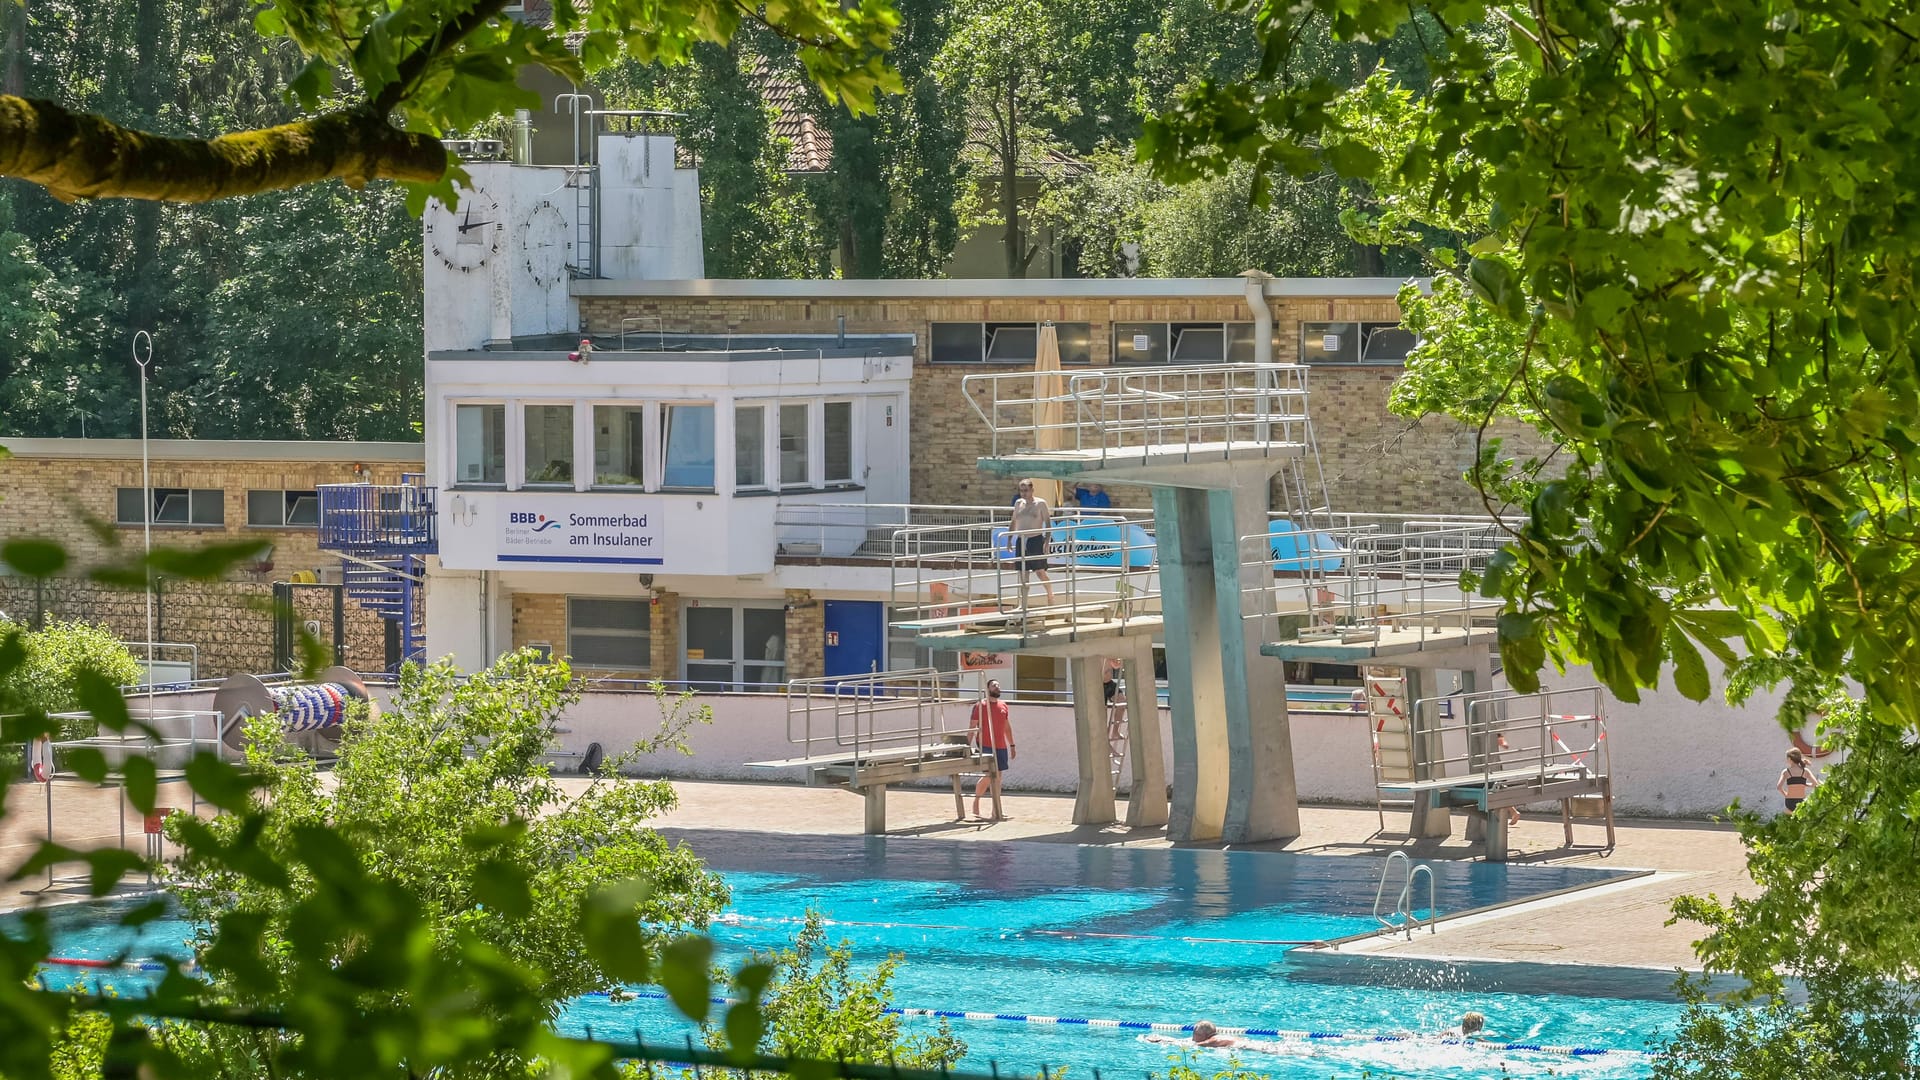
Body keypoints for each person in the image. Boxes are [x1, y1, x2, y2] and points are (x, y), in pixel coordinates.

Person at [970, 680, 1016, 820]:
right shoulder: (980, 706)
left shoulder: (1003, 706)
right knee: (990, 775)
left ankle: (996, 811)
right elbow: (972, 727)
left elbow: (1006, 728)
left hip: (1000, 746)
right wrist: (967, 745)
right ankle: (976, 802)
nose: (997, 687)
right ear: (987, 688)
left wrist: (1012, 745)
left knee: (998, 778)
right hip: (986, 745)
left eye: (998, 685)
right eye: (994, 685)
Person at [1009, 480, 1055, 612]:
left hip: (1035, 539)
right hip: (1021, 539)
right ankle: (1023, 604)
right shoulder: (1018, 503)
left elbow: (1048, 523)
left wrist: (1047, 541)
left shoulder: (1040, 503)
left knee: (1040, 572)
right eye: (1021, 490)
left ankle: (1050, 594)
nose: (1023, 493)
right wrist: (1009, 538)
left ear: (1032, 490)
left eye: (1026, 490)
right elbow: (1013, 521)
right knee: (1023, 573)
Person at [1778, 747, 1819, 811]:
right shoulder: (1805, 771)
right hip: (1801, 801)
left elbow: (1779, 787)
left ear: (1789, 759)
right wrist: (1805, 784)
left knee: (1787, 813)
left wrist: (1786, 795)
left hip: (1790, 802)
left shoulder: (1786, 772)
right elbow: (1815, 784)